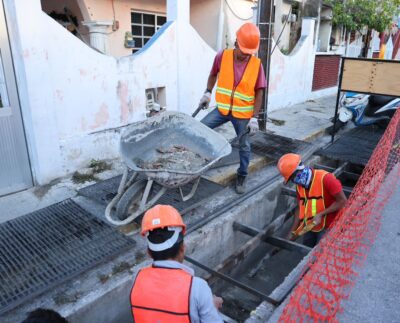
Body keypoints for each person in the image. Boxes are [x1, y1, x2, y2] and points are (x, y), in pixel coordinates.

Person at [198, 22, 266, 194]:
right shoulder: (223, 56)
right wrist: (207, 93)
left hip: (243, 114)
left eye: (250, 52)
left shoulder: (257, 65)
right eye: (244, 51)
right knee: (200, 129)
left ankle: (242, 175)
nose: (246, 55)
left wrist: (254, 117)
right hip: (222, 109)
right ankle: (199, 164)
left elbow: (260, 92)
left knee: (244, 146)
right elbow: (213, 74)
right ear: (236, 43)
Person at [130, 204, 224, 323]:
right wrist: (212, 308)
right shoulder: (198, 287)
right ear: (182, 248)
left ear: (149, 252)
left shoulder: (137, 278)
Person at [277, 153, 347, 247]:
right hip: (310, 225)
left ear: (299, 169)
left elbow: (342, 201)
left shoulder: (326, 179)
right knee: (306, 248)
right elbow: (300, 208)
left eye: (293, 177)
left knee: (318, 254)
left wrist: (321, 214)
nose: (294, 181)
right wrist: (292, 231)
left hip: (329, 225)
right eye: (291, 180)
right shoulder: (300, 186)